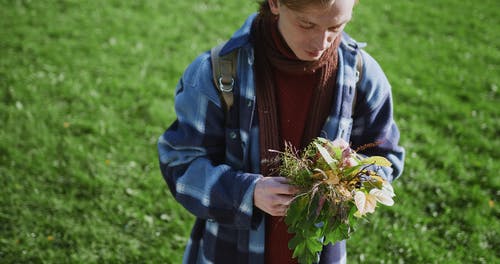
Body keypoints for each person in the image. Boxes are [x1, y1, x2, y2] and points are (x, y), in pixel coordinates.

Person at [157, 0, 405, 263]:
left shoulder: (362, 77)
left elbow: (385, 158)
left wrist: (353, 177)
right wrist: (248, 192)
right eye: (307, 24)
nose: (321, 42)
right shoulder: (217, 73)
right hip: (230, 251)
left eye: (336, 26)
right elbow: (181, 164)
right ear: (275, 3)